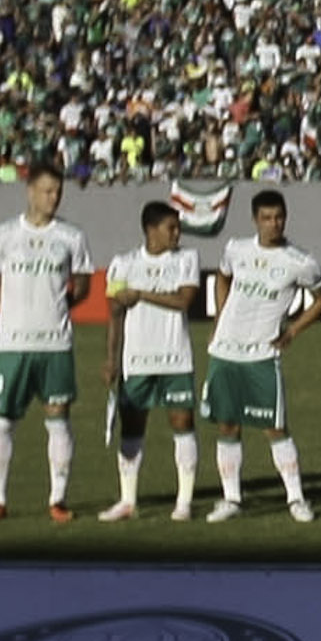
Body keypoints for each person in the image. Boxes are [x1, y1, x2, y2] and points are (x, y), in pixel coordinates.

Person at [0, 162, 91, 524]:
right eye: (47, 191)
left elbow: (83, 283)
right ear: (30, 192)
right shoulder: (3, 234)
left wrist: (56, 309)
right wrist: (14, 311)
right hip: (11, 345)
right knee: (2, 422)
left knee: (58, 420)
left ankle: (58, 499)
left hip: (55, 344)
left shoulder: (71, 237)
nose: (53, 198)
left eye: (58, 191)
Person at [201, 188, 321, 522]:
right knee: (227, 425)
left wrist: (293, 330)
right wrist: (219, 319)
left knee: (274, 427)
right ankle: (232, 499)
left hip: (262, 356)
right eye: (267, 218)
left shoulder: (300, 261)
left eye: (279, 217)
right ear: (255, 220)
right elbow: (222, 277)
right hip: (225, 351)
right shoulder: (236, 249)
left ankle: (296, 499)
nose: (274, 224)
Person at [97, 199, 204, 522]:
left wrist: (141, 294)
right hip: (137, 360)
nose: (177, 233)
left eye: (178, 227)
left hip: (176, 358)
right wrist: (110, 359)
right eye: (171, 227)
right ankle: (128, 501)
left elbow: (184, 300)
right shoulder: (123, 264)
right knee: (131, 428)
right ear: (150, 230)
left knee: (182, 424)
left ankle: (184, 502)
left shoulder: (187, 258)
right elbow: (115, 314)